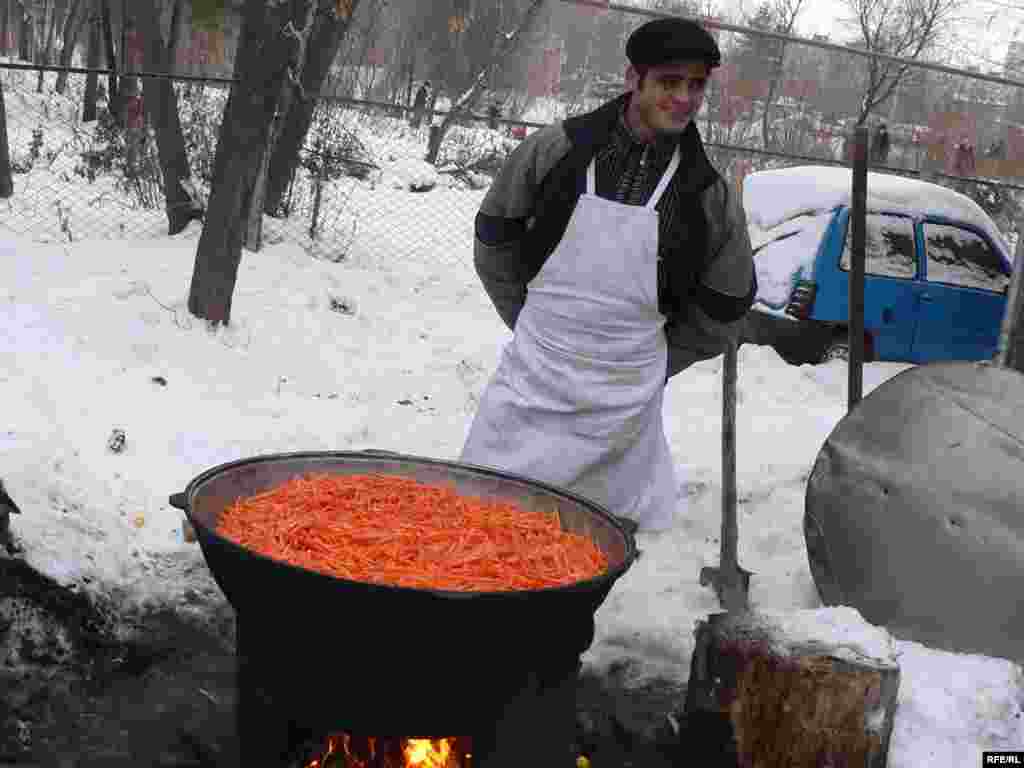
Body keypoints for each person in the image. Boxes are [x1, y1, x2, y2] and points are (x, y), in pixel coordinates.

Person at [460, 17, 755, 534]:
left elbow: (726, 303)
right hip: (532, 380)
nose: (685, 98)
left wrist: (654, 359)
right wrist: (533, 326)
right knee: (486, 519)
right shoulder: (555, 152)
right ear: (632, 79)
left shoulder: (708, 193)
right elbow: (494, 241)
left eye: (697, 85)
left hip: (625, 400)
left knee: (599, 538)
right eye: (669, 82)